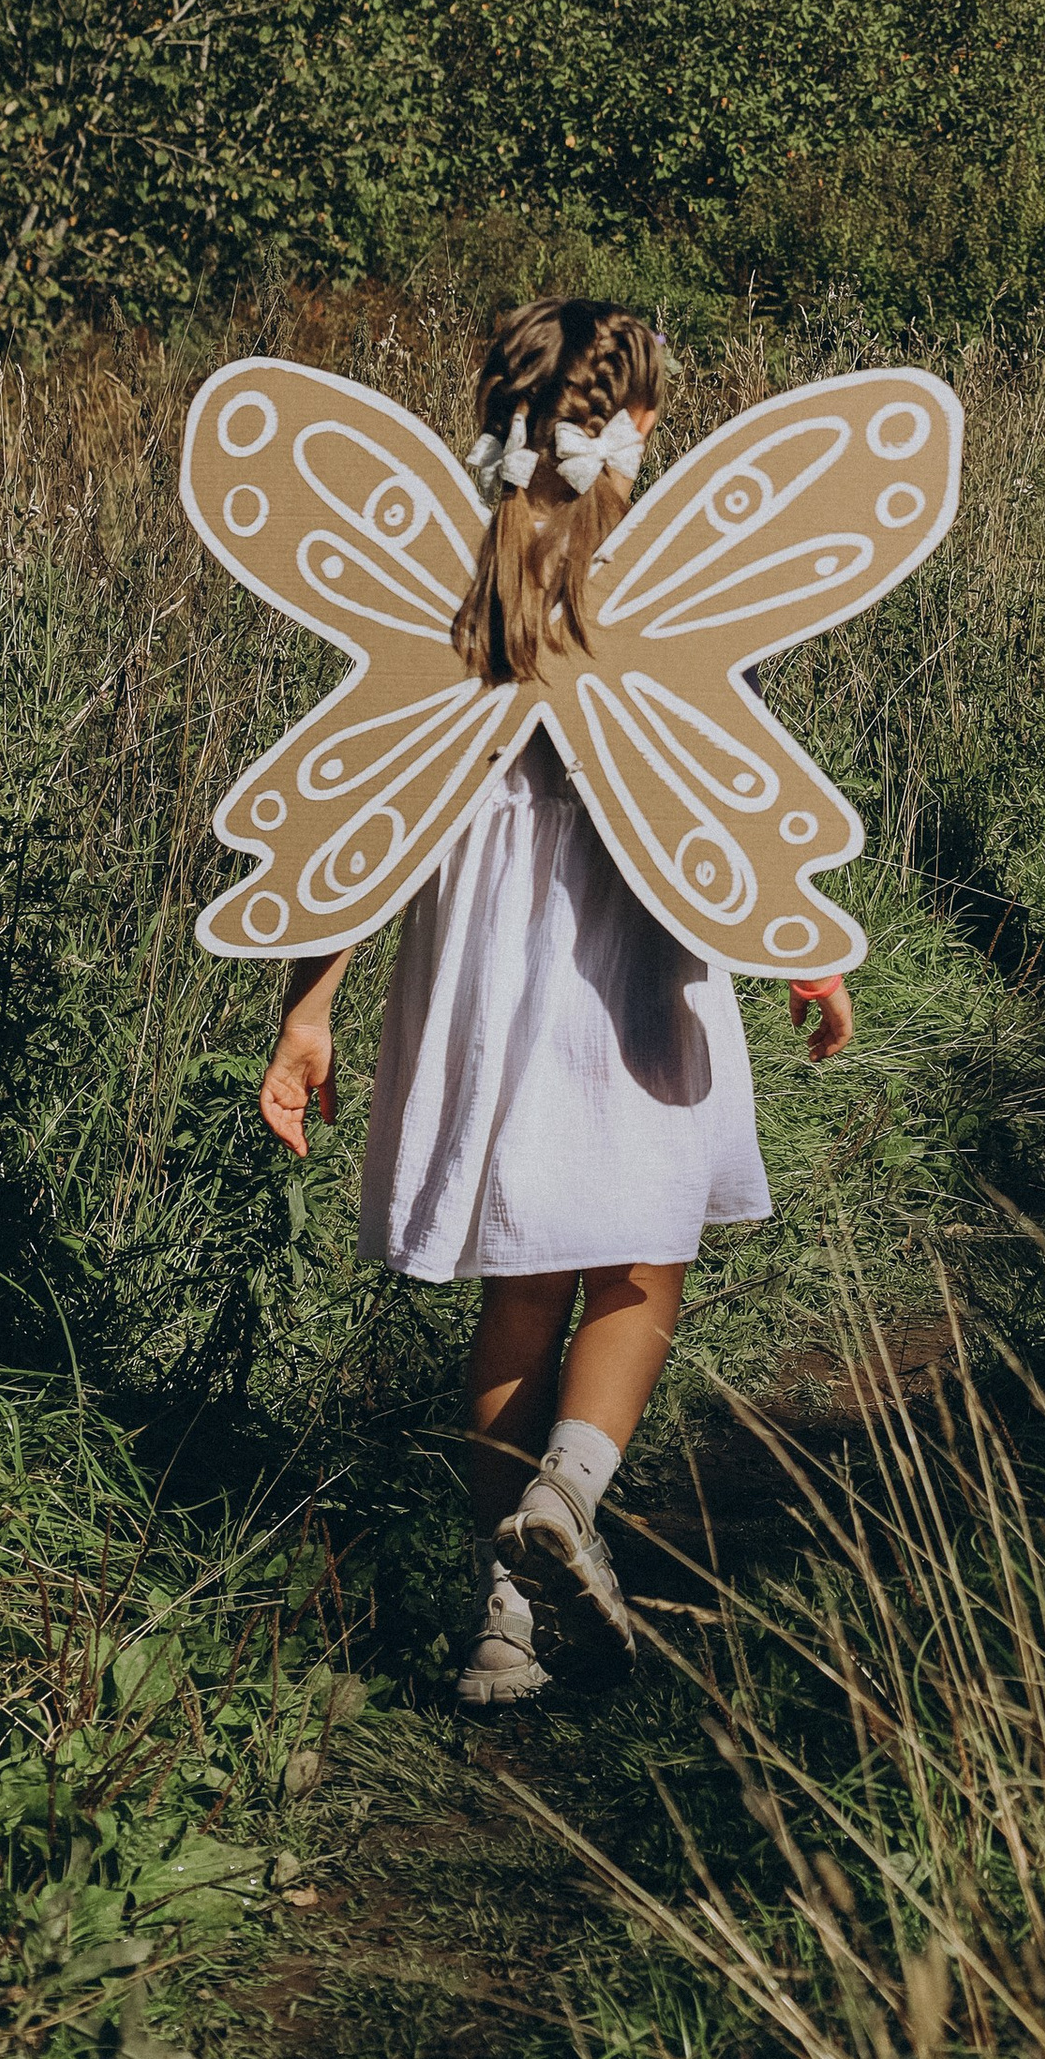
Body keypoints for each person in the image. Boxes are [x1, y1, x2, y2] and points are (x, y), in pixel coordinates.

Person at [254, 297, 850, 1713]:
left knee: (522, 1284)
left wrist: (308, 1010)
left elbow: (372, 807)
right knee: (641, 1263)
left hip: (487, 955)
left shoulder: (448, 571)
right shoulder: (668, 569)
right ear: (640, 420)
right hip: (639, 940)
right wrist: (803, 952)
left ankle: (500, 1625)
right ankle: (571, 1496)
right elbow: (719, 780)